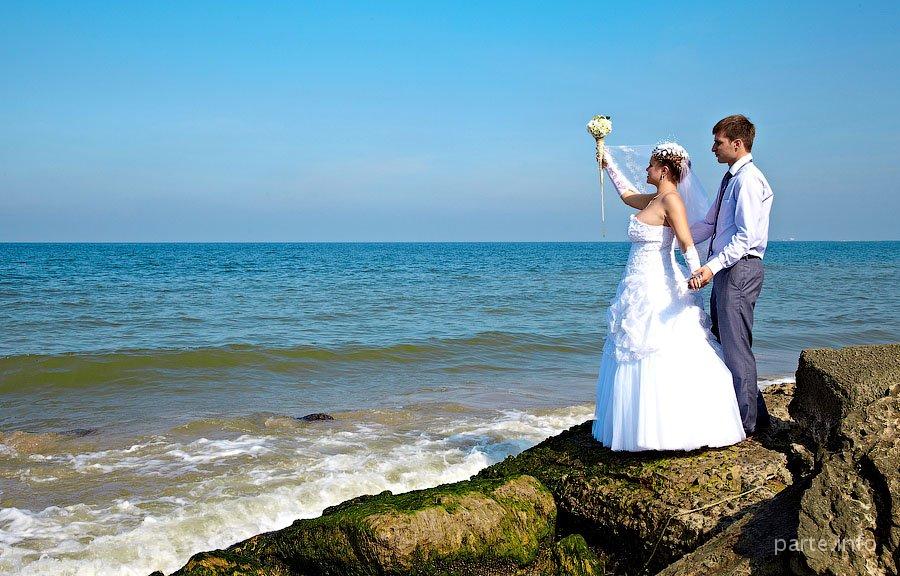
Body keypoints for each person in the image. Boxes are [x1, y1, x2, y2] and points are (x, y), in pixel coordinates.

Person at [592, 142, 745, 451]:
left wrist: (697, 273)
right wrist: (608, 164)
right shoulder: (654, 199)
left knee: (658, 345)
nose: (646, 169)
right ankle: (637, 428)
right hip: (637, 281)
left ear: (663, 171)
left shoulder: (671, 200)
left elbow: (686, 241)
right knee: (632, 345)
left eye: (650, 165)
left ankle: (670, 429)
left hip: (658, 282)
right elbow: (626, 195)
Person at [688, 115, 773, 436]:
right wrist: (673, 235)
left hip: (740, 267)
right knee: (727, 340)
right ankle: (757, 417)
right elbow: (710, 224)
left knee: (736, 347)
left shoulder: (748, 180)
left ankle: (746, 424)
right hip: (729, 268)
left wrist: (711, 267)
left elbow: (745, 237)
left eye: (718, 142)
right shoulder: (730, 179)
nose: (713, 148)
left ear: (737, 144)